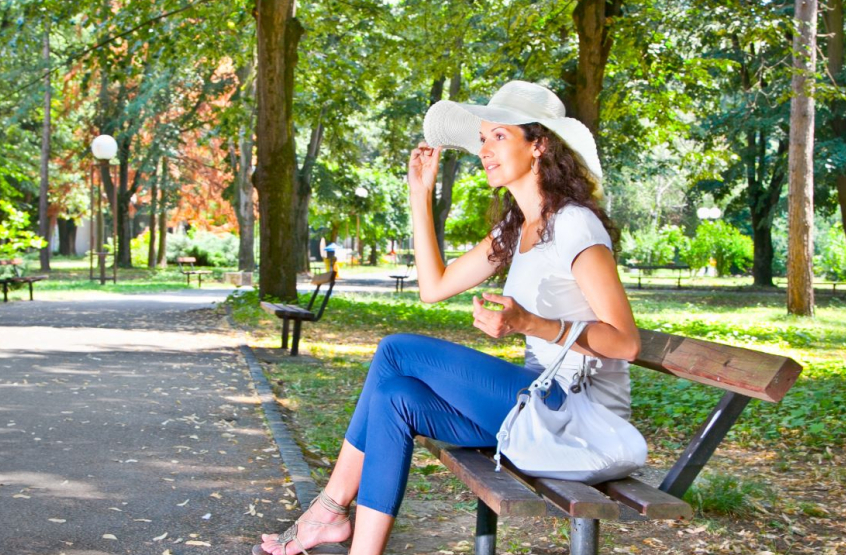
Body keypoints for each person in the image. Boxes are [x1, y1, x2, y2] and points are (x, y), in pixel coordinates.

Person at [253, 80, 642, 555]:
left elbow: (625, 342)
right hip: (534, 405)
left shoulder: (576, 224)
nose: (485, 150)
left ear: (538, 144)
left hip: (576, 416)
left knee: (396, 351)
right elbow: (434, 287)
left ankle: (330, 509)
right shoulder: (517, 227)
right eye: (482, 138)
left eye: (498, 136)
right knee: (396, 396)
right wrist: (420, 195)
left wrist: (529, 323)